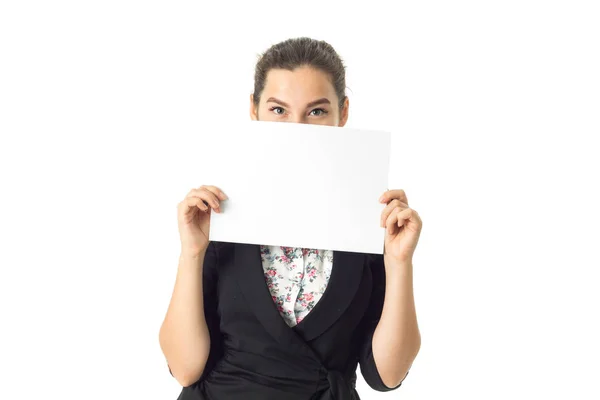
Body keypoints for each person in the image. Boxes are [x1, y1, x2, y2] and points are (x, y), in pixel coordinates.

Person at [159, 37, 422, 400]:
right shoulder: (219, 215)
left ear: (342, 113)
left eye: (316, 111)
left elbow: (386, 376)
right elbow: (185, 368)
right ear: (254, 110)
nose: (296, 128)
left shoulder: (370, 221)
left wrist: (399, 262)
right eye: (278, 110)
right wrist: (192, 252)